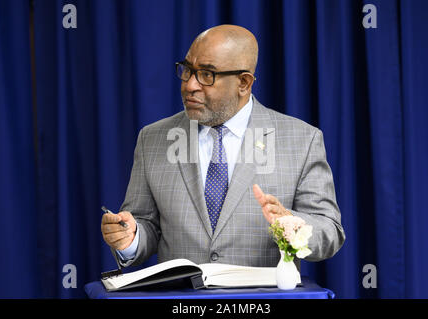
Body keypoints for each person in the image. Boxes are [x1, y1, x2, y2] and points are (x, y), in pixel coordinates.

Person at [101, 25, 345, 269]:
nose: (189, 85)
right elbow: (146, 224)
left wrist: (291, 224)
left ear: (243, 82)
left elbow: (330, 232)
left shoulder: (302, 140)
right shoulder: (153, 139)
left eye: (207, 74)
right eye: (187, 70)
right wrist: (131, 237)